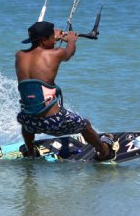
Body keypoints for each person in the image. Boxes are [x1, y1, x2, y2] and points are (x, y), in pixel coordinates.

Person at [14, 20, 113, 161]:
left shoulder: (19, 56)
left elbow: (38, 51)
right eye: (51, 38)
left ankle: (31, 152)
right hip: (54, 121)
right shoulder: (56, 54)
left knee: (26, 124)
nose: (54, 41)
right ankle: (104, 152)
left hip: (29, 121)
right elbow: (69, 53)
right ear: (43, 39)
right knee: (85, 125)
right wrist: (71, 40)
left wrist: (52, 37)